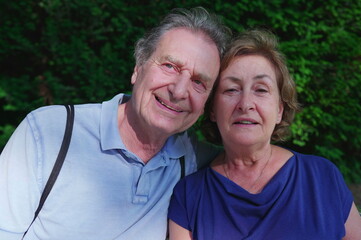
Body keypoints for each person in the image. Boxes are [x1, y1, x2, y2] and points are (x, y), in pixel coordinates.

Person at [0, 7, 230, 240]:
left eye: (199, 82)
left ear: (206, 104)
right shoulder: (50, 132)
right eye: (170, 66)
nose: (179, 91)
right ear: (138, 68)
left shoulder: (194, 161)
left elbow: (255, 162)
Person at [168, 30, 361, 239]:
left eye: (261, 89)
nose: (246, 104)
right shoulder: (189, 196)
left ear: (279, 110)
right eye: (231, 89)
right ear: (212, 109)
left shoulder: (321, 176)